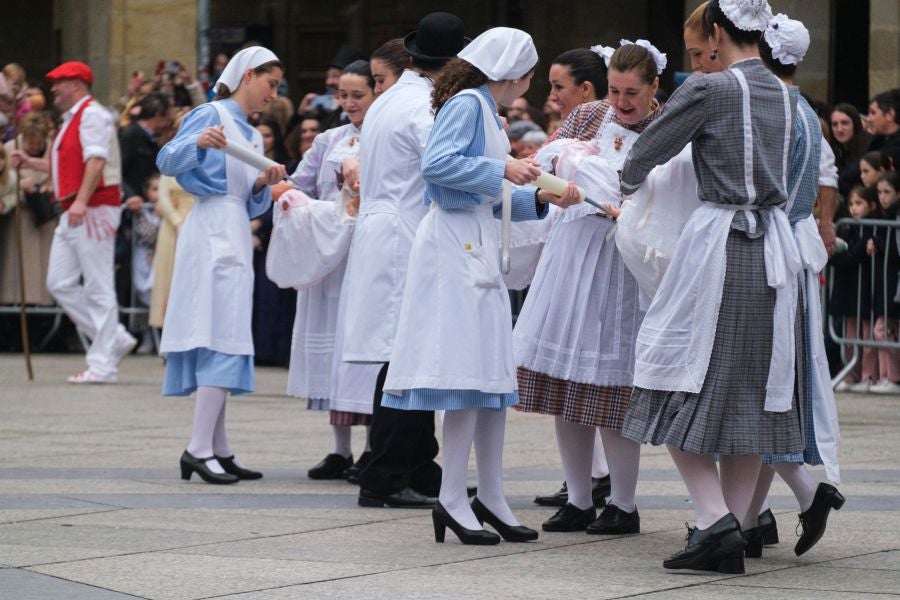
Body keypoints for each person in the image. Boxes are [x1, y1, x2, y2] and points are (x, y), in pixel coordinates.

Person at [619, 0, 812, 574]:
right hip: (775, 250)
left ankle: (713, 519)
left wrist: (627, 183)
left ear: (717, 33)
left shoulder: (711, 89)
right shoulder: (787, 93)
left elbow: (645, 152)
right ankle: (728, 525)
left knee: (673, 373)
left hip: (721, 245)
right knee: (754, 392)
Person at [382, 26, 579, 546]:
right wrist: (506, 167)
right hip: (454, 246)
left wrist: (537, 196)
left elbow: (479, 190)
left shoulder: (483, 109)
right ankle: (454, 497)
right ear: (515, 71)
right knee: (468, 373)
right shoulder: (470, 105)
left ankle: (489, 494)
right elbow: (438, 169)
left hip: (471, 240)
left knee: (489, 378)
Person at [514, 40, 667, 537]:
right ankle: (578, 497)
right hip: (573, 251)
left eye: (632, 93)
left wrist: (627, 206)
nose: (621, 103)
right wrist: (555, 180)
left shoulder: (665, 127)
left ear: (653, 88)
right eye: (616, 91)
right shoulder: (589, 116)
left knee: (614, 387)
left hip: (623, 260)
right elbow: (539, 161)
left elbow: (672, 193)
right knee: (567, 382)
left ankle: (623, 503)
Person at [340, 12, 468, 509]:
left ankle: (411, 463)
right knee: (405, 359)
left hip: (388, 228)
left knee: (403, 355)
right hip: (403, 234)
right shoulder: (421, 106)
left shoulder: (395, 96)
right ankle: (389, 473)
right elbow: (444, 163)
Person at [155, 47, 286, 485]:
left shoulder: (252, 134)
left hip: (230, 227)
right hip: (210, 225)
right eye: (270, 84)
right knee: (218, 330)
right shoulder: (210, 113)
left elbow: (248, 197)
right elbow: (167, 161)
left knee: (225, 327)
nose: (273, 94)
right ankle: (198, 447)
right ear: (248, 76)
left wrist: (260, 184)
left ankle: (217, 446)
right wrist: (194, 140)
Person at [741, 14, 843, 558]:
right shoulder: (803, 110)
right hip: (792, 249)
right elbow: (822, 177)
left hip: (771, 251)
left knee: (764, 387)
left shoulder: (776, 110)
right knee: (772, 386)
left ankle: (757, 513)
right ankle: (756, 516)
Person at [274, 60, 380, 480]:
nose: (350, 102)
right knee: (332, 348)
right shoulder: (328, 139)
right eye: (344, 95)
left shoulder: (386, 138)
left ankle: (374, 446)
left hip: (365, 253)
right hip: (328, 257)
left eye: (359, 95)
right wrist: (285, 192)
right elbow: (300, 183)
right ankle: (340, 449)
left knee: (364, 350)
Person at [526, 44, 614, 511]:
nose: (552, 94)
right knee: (587, 364)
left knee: (591, 361)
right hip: (579, 234)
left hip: (597, 242)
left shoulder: (597, 114)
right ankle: (592, 476)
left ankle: (598, 479)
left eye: (559, 86)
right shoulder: (583, 120)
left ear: (585, 86)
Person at [43, 61, 136, 383]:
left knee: (98, 286)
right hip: (75, 209)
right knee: (59, 283)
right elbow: (67, 165)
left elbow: (96, 159)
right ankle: (114, 338)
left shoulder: (92, 115)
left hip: (92, 208)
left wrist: (82, 200)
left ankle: (102, 365)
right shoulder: (74, 118)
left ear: (77, 85)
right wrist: (30, 162)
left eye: (60, 82)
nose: (53, 88)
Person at [2, 111, 57, 307]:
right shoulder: (9, 150)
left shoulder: (54, 152)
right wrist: (19, 185)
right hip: (18, 220)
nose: (34, 148)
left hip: (44, 220)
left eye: (38, 144)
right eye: (30, 143)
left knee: (43, 270)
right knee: (17, 272)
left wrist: (48, 187)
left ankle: (44, 309)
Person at [832, 185, 880, 392]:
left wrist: (848, 255)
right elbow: (840, 257)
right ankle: (851, 374)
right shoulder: (846, 227)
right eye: (851, 204)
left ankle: (868, 375)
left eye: (859, 203)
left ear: (871, 205)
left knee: (868, 334)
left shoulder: (874, 229)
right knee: (850, 334)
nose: (854, 208)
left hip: (867, 289)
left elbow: (850, 255)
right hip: (850, 290)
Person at [865, 171, 900, 394]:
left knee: (882, 329)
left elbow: (896, 249)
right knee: (885, 328)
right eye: (879, 192)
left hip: (894, 282)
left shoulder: (895, 216)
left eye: (887, 192)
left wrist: (877, 242)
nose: (882, 197)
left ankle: (893, 377)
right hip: (886, 282)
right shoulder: (885, 215)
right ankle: (888, 376)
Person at [832, 103, 873, 198]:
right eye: (834, 124)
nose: (839, 129)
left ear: (855, 124)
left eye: (845, 123)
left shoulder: (870, 144)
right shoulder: (833, 149)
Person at [866, 89, 900, 171]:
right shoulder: (878, 140)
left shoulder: (896, 146)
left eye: (873, 113)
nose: (868, 119)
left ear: (889, 115)